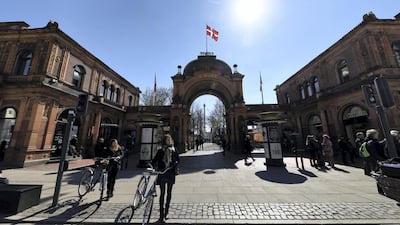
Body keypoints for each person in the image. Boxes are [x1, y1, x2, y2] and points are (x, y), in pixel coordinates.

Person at [151, 134, 179, 223]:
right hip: (162, 173)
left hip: (170, 173)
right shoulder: (160, 150)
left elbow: (178, 159)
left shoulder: (174, 150)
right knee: (162, 193)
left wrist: (174, 163)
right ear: (164, 141)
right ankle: (161, 213)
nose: (168, 141)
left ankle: (167, 211)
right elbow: (154, 160)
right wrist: (151, 165)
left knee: (169, 193)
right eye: (167, 139)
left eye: (169, 139)